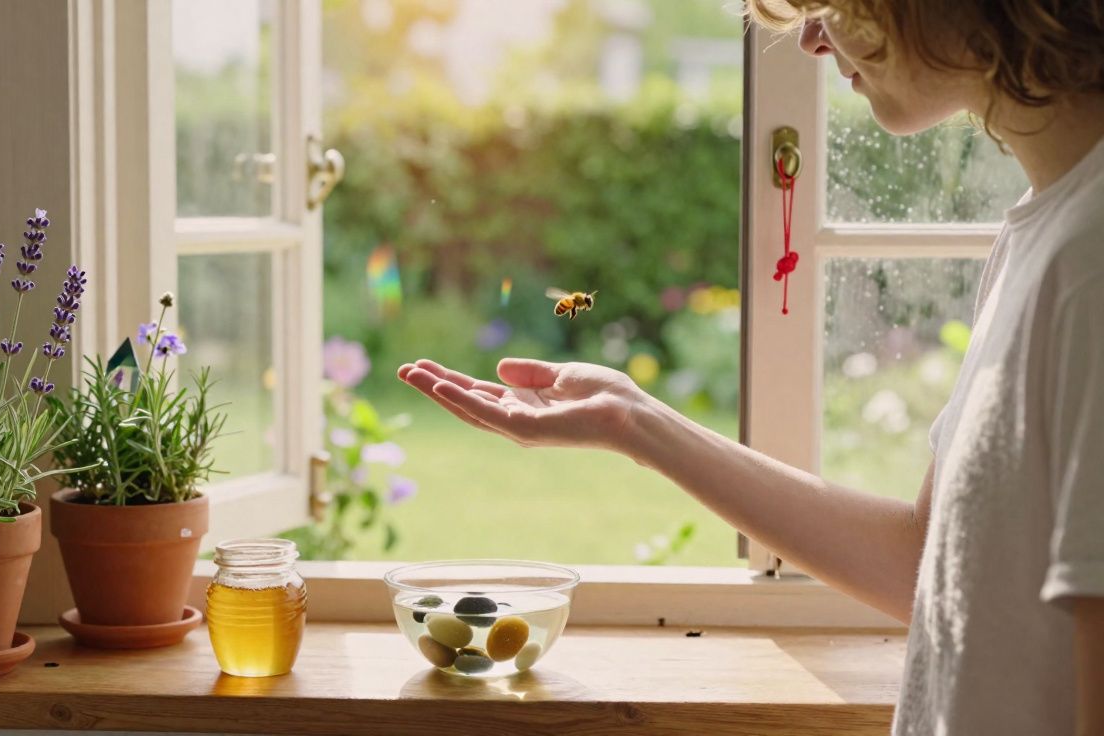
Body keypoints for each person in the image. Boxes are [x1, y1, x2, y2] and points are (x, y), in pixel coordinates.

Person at [397, 1, 1104, 734]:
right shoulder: (1043, 227)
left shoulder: (1092, 261)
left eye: (833, 3)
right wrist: (635, 423)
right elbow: (931, 566)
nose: (809, 37)